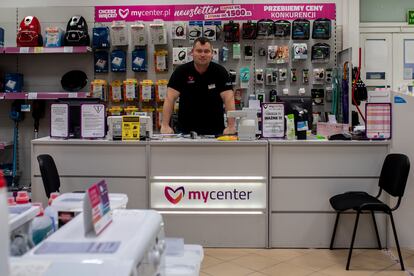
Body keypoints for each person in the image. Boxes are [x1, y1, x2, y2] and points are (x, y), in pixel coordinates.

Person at [160, 37, 236, 135]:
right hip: (185, 133)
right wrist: (165, 125)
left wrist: (231, 126)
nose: (203, 54)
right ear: (192, 52)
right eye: (199, 51)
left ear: (212, 53)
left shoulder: (220, 72)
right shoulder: (181, 72)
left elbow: (229, 98)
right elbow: (169, 98)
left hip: (215, 132)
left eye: (206, 51)